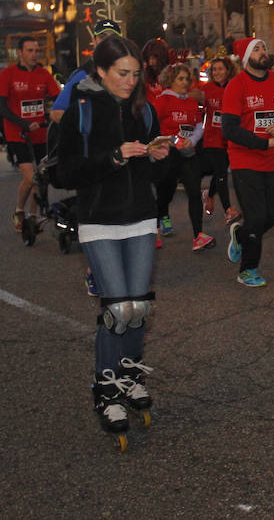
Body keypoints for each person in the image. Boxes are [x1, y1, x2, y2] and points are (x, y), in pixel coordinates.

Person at [55, 34, 171, 449]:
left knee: (138, 308)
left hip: (139, 216)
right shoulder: (80, 109)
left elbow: (154, 175)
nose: (129, 81)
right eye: (122, 74)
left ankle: (130, 375)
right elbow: (60, 171)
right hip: (99, 219)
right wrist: (113, 157)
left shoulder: (143, 108)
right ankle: (106, 391)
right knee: (117, 308)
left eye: (136, 74)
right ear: (101, 71)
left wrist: (158, 156)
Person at [50, 19, 123, 295]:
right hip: (91, 160)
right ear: (93, 42)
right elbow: (57, 113)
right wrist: (85, 127)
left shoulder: (128, 72)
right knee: (94, 218)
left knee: (118, 214)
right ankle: (94, 271)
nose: (105, 41)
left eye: (111, 37)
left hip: (121, 157)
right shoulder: (81, 75)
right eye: (101, 37)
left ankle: (114, 266)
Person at [221, 37, 274, 287]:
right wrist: (263, 143)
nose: (263, 52)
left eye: (264, 48)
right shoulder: (236, 86)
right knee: (257, 216)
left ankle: (240, 235)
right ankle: (248, 269)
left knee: (272, 216)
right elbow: (228, 129)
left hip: (271, 161)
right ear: (246, 57)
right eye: (257, 49)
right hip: (244, 159)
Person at [0, 36, 60, 231]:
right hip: (17, 134)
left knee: (41, 177)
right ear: (20, 53)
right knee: (31, 177)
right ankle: (19, 210)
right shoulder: (7, 74)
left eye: (37, 51)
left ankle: (33, 216)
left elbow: (58, 99)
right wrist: (23, 123)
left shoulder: (44, 75)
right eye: (30, 51)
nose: (35, 54)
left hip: (40, 134)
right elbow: (2, 107)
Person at [153, 63, 214, 251]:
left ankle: (198, 236)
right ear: (170, 80)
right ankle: (155, 227)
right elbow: (152, 129)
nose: (185, 82)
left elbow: (197, 126)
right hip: (168, 154)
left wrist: (192, 141)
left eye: (187, 79)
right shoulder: (162, 101)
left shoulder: (191, 101)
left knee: (195, 192)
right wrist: (172, 140)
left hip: (187, 154)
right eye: (180, 78)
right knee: (166, 193)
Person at [199, 56, 242, 225]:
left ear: (228, 70)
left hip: (230, 138)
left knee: (220, 172)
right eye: (214, 69)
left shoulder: (234, 88)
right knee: (222, 172)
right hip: (212, 138)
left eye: (220, 69)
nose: (217, 72)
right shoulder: (206, 89)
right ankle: (228, 210)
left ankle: (209, 194)